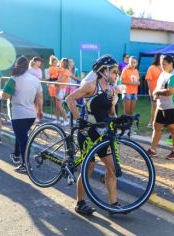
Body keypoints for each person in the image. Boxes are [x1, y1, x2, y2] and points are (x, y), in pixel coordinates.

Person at [66, 55, 119, 215]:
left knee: (112, 169)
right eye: (114, 72)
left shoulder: (111, 88)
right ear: (104, 71)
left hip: (103, 133)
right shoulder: (91, 85)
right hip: (88, 132)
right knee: (89, 168)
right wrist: (79, 119)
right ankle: (80, 203)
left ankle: (113, 205)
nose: (117, 75)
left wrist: (117, 120)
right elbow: (69, 99)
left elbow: (111, 112)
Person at [1, 56, 43, 173]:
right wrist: (39, 111)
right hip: (31, 114)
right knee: (21, 135)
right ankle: (16, 155)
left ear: (17, 65)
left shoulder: (14, 79)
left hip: (18, 114)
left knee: (23, 138)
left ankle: (26, 164)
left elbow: (5, 96)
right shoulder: (35, 79)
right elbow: (39, 97)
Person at [147, 55, 174, 160]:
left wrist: (157, 92)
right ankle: (152, 150)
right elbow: (159, 87)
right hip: (160, 105)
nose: (162, 66)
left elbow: (170, 92)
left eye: (164, 64)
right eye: (161, 64)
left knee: (172, 128)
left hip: (172, 106)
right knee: (156, 126)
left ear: (171, 64)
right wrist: (156, 94)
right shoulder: (163, 73)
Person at [145, 53, 162, 129]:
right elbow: (148, 80)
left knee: (161, 108)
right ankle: (152, 122)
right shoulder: (151, 68)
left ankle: (159, 123)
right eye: (161, 58)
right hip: (154, 92)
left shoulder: (164, 68)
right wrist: (152, 92)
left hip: (163, 92)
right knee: (154, 107)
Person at [55, 58, 70, 126]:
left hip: (61, 89)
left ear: (64, 63)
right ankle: (57, 120)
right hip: (58, 88)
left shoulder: (66, 71)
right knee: (57, 105)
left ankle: (66, 120)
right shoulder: (62, 70)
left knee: (59, 106)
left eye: (61, 62)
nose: (60, 63)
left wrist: (53, 82)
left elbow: (60, 80)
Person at [48, 55, 59, 123]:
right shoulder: (50, 68)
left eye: (55, 61)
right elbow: (48, 77)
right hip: (51, 85)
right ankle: (56, 119)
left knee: (58, 103)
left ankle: (60, 118)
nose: (54, 63)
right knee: (54, 103)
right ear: (51, 62)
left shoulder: (59, 68)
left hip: (57, 85)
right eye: (53, 62)